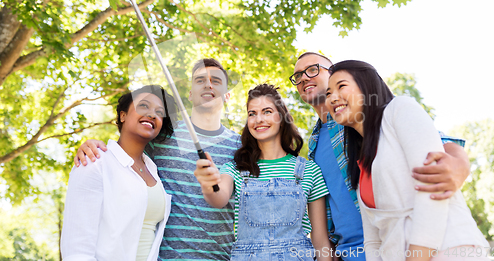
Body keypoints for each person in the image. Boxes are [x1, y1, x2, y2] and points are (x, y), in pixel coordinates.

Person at [291, 52, 472, 261]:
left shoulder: (371, 115)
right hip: (358, 252)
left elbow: (434, 140)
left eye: (312, 69)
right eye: (297, 76)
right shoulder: (314, 143)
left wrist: (461, 162)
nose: (304, 78)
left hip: (405, 245)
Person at [74, 59, 241, 260]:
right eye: (199, 80)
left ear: (228, 95)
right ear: (189, 94)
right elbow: (124, 152)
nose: (208, 84)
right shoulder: (162, 136)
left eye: (216, 80)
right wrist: (91, 144)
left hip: (221, 257)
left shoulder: (242, 147)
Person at [194, 84, 333, 261]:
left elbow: (320, 240)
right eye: (252, 113)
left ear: (282, 117)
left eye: (267, 111)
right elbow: (218, 198)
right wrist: (208, 184)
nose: (258, 119)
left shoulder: (309, 170)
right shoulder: (236, 169)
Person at [61, 85, 175, 261]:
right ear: (123, 115)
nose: (152, 114)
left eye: (159, 112)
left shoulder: (154, 171)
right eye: (143, 106)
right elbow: (77, 250)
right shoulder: (95, 162)